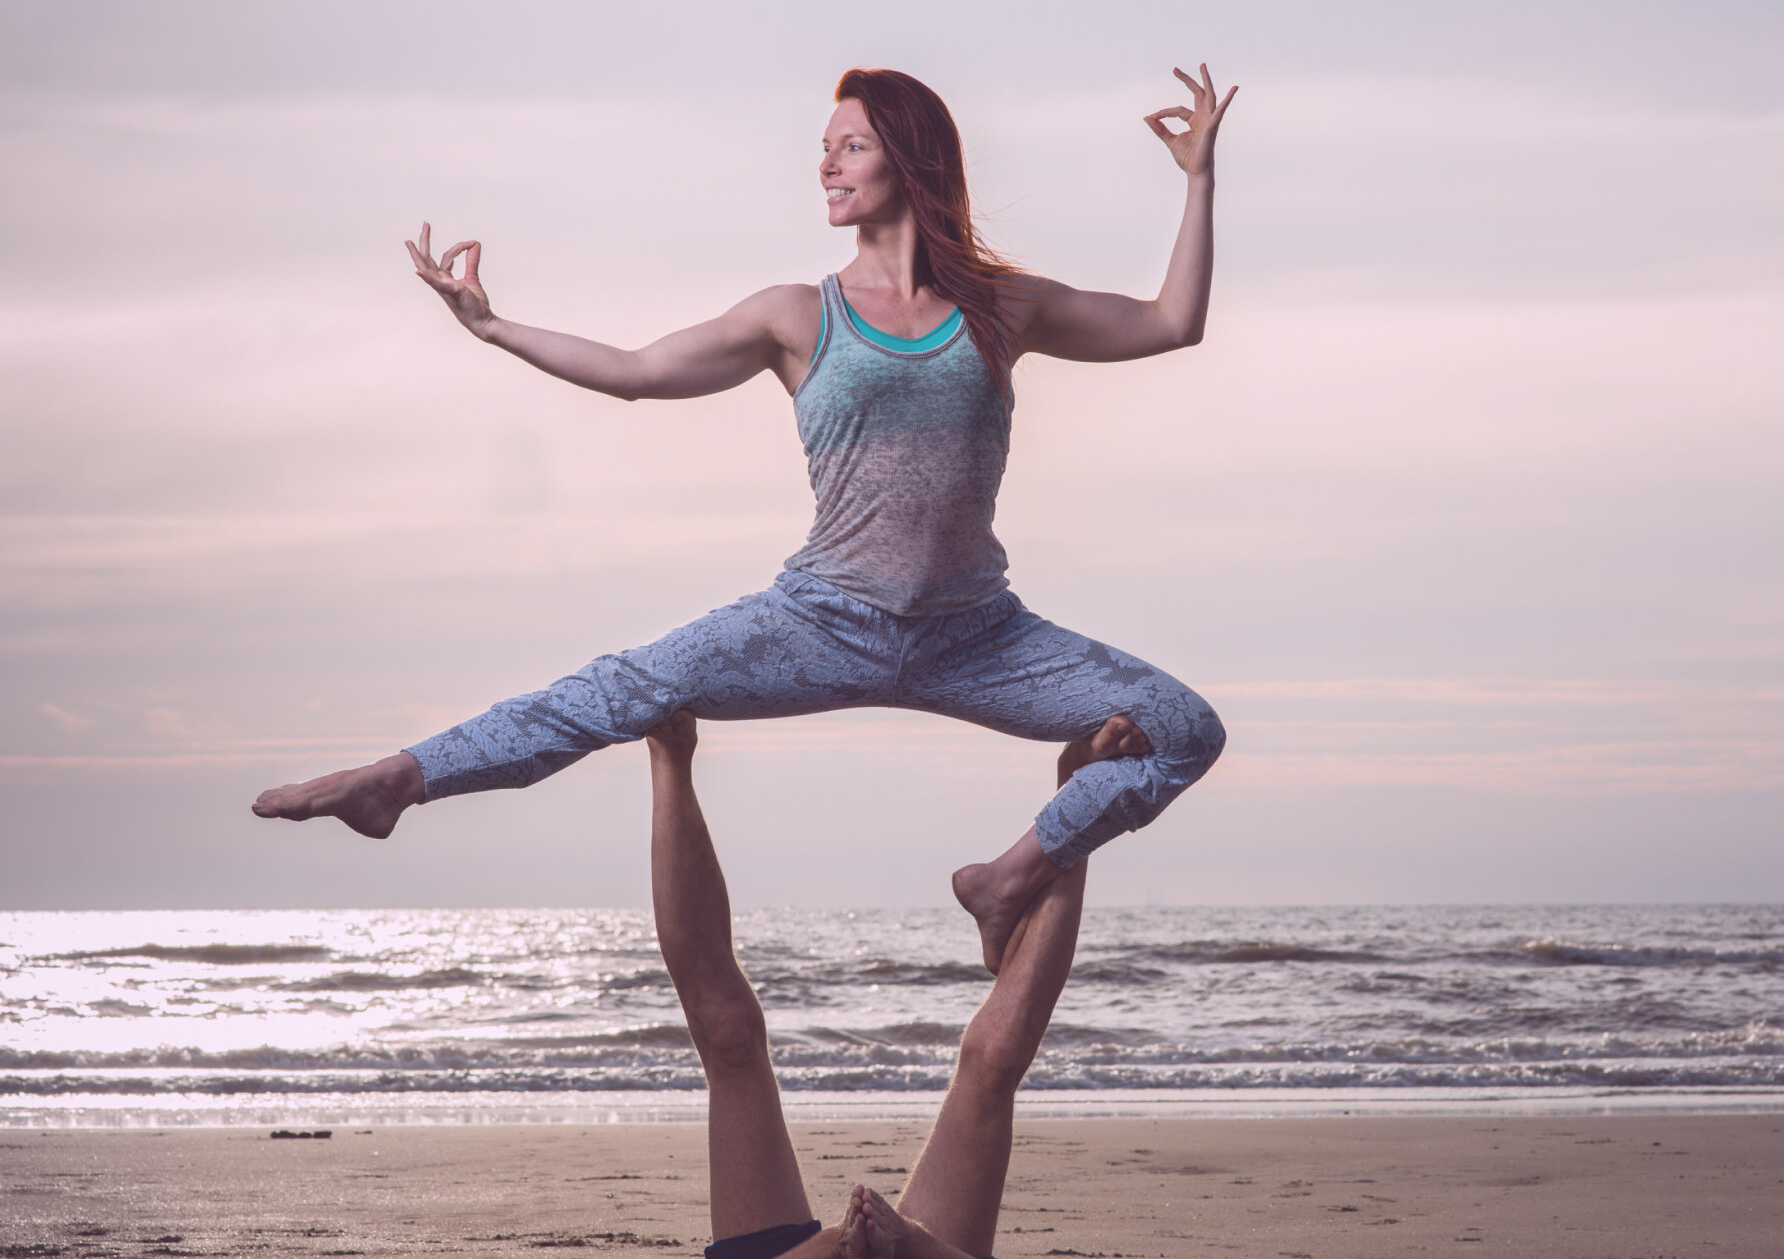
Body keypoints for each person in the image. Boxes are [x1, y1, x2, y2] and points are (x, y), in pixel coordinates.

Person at [253, 65, 1236, 969]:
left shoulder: (1000, 307)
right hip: (817, 624)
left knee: (1183, 728)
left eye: (847, 144)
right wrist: (493, 325)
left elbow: (1168, 323)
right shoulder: (794, 316)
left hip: (979, 637)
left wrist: (1196, 179)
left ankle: (1009, 875)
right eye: (823, 147)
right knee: (612, 692)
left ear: (911, 157)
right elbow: (637, 374)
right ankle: (398, 780)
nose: (824, 164)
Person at [647, 709, 1139, 1259]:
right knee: (992, 1069)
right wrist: (927, 1257)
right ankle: (1077, 802)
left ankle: (668, 753)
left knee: (730, 1038)